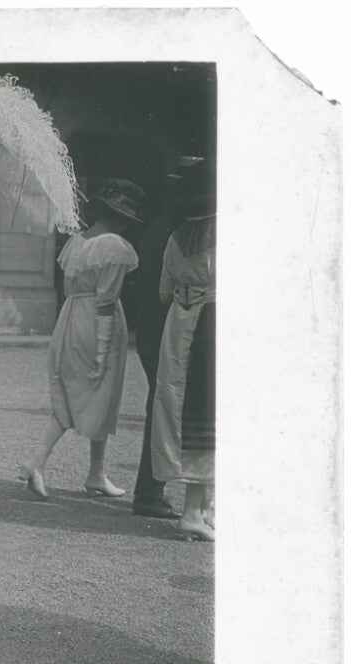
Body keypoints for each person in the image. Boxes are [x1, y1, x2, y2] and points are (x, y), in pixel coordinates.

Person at [18, 179, 146, 500]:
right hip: (95, 321)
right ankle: (43, 463)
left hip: (71, 318)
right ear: (119, 218)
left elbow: (68, 289)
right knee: (99, 391)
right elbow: (105, 300)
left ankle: (95, 474)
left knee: (72, 393)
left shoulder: (76, 242)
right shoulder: (113, 246)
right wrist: (102, 350)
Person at [124, 161, 205, 520]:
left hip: (150, 324)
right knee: (177, 407)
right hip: (178, 326)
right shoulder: (193, 233)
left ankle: (152, 489)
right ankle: (150, 493)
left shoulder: (158, 228)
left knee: (161, 404)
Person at [150, 160, 216, 541]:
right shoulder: (223, 237)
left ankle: (201, 509)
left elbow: (163, 292)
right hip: (212, 321)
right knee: (207, 409)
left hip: (180, 323)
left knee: (182, 407)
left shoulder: (175, 239)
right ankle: (193, 510)